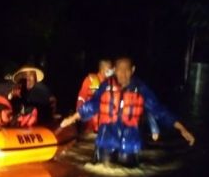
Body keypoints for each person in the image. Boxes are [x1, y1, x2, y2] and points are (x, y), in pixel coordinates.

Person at [61, 57, 195, 167]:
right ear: (114, 70)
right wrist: (72, 118)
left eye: (126, 70)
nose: (122, 74)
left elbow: (159, 110)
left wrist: (181, 128)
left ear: (133, 70)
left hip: (130, 143)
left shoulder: (141, 89)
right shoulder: (106, 86)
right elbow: (92, 105)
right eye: (119, 70)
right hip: (106, 141)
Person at [76, 59, 114, 133]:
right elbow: (81, 97)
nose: (112, 70)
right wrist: (79, 113)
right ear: (103, 69)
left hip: (106, 127)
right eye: (110, 68)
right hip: (90, 126)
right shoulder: (90, 80)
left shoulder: (112, 83)